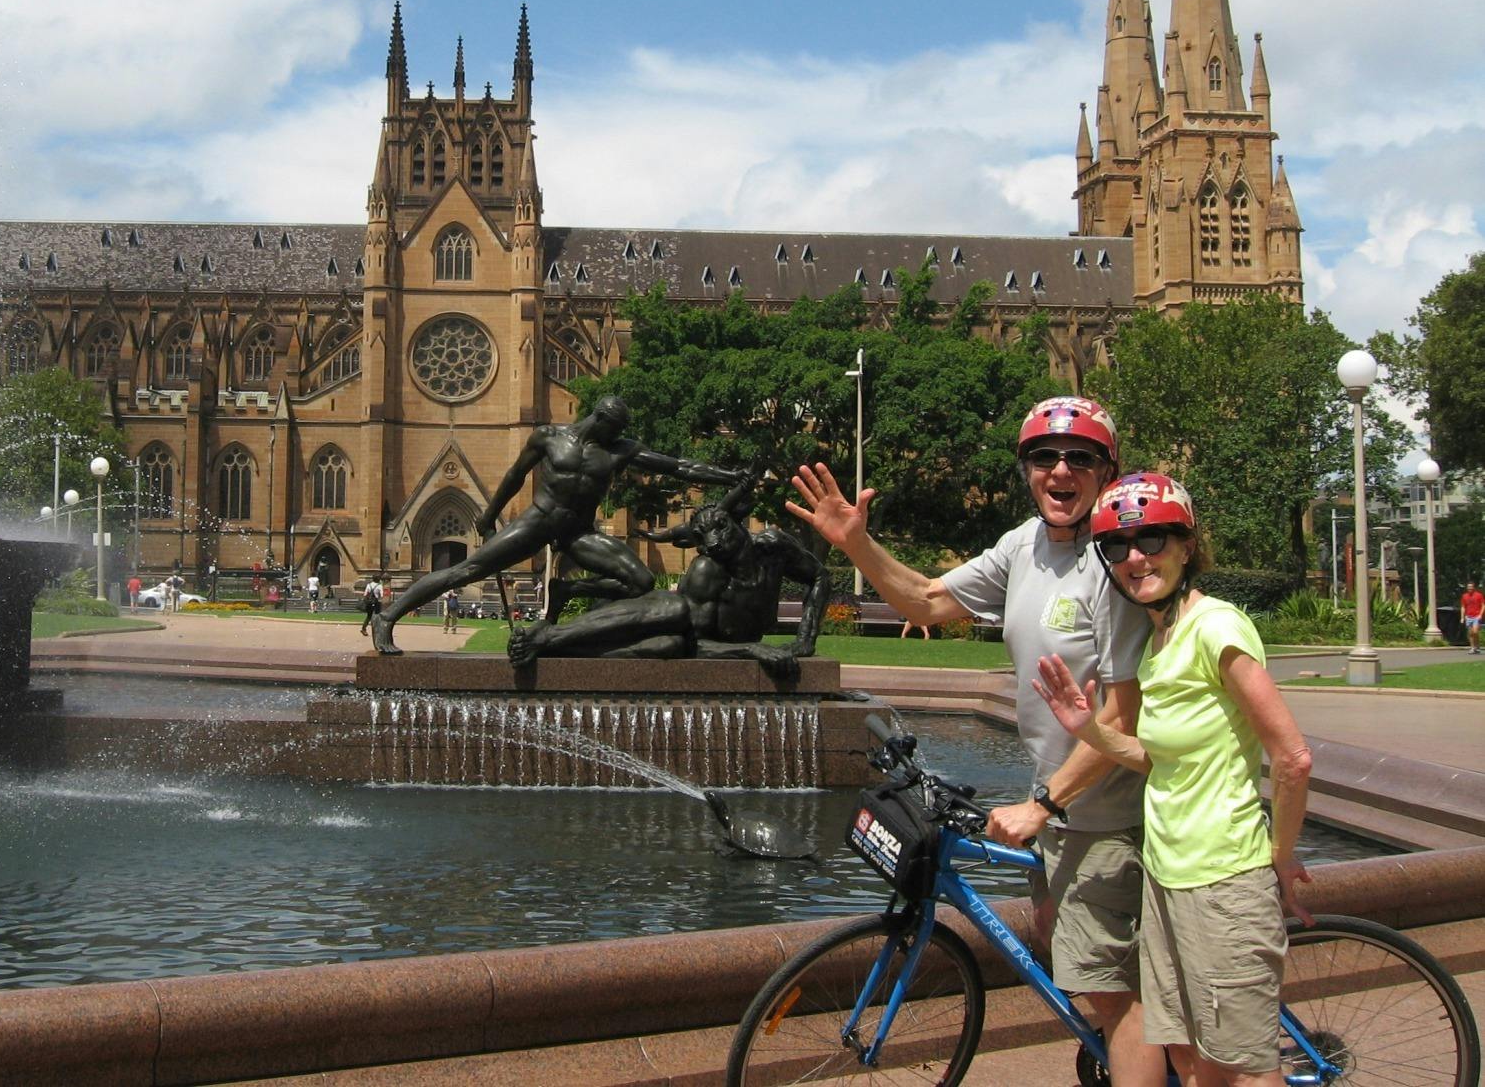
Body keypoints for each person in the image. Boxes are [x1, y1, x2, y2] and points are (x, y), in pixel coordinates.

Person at [789, 396, 1160, 1087]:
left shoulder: (1115, 560)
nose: (1059, 470)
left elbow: (1122, 716)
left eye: (1080, 458)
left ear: (1107, 472)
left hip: (1110, 814)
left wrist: (1043, 805)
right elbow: (928, 601)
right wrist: (853, 543)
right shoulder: (1023, 545)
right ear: (1025, 469)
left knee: (1116, 997)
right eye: (1043, 457)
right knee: (1066, 948)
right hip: (1059, 803)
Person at [1034, 473, 1313, 1087]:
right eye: (1117, 546)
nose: (1136, 558)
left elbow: (1291, 757)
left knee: (1241, 1070)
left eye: (1153, 538)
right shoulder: (1159, 642)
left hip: (1222, 882)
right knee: (1194, 1063)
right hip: (1167, 881)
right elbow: (1158, 759)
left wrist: (1279, 859)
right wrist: (1089, 730)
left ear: (1188, 545)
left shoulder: (1217, 628)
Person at [369, 396, 742, 655]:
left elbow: (677, 466)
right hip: (539, 521)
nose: (619, 435)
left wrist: (729, 476)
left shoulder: (619, 450)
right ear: (600, 419)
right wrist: (488, 515)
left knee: (641, 582)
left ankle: (566, 589)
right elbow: (516, 475)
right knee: (465, 571)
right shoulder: (549, 437)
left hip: (579, 532)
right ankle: (388, 616)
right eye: (615, 428)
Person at [508, 473, 828, 680]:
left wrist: (805, 640)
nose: (715, 541)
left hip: (678, 640)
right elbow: (698, 645)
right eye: (704, 537)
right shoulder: (707, 571)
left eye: (720, 527)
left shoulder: (773, 548)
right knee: (674, 613)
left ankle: (553, 647)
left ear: (735, 522)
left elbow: (819, 577)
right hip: (661, 617)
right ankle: (549, 637)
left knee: (667, 646)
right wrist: (751, 650)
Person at [1462, 581, 1484, 653]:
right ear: (1467, 588)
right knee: (1470, 633)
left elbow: (1483, 605)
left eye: (1471, 587)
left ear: (1474, 588)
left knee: (1475, 632)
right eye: (1468, 587)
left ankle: (1477, 646)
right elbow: (1463, 607)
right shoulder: (1464, 596)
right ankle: (1472, 648)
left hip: (1476, 616)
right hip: (1468, 616)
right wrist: (1462, 617)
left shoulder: (1479, 595)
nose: (1470, 588)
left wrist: (1480, 614)